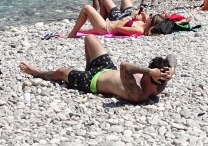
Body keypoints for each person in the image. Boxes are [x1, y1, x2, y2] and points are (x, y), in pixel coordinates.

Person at [18, 35, 176, 103]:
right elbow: (172, 56)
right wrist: (172, 69)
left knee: (61, 72)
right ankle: (88, 68)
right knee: (89, 38)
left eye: (149, 73)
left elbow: (124, 67)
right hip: (106, 68)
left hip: (92, 81)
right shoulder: (159, 82)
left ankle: (36, 72)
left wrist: (150, 72)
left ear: (151, 77)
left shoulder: (138, 94)